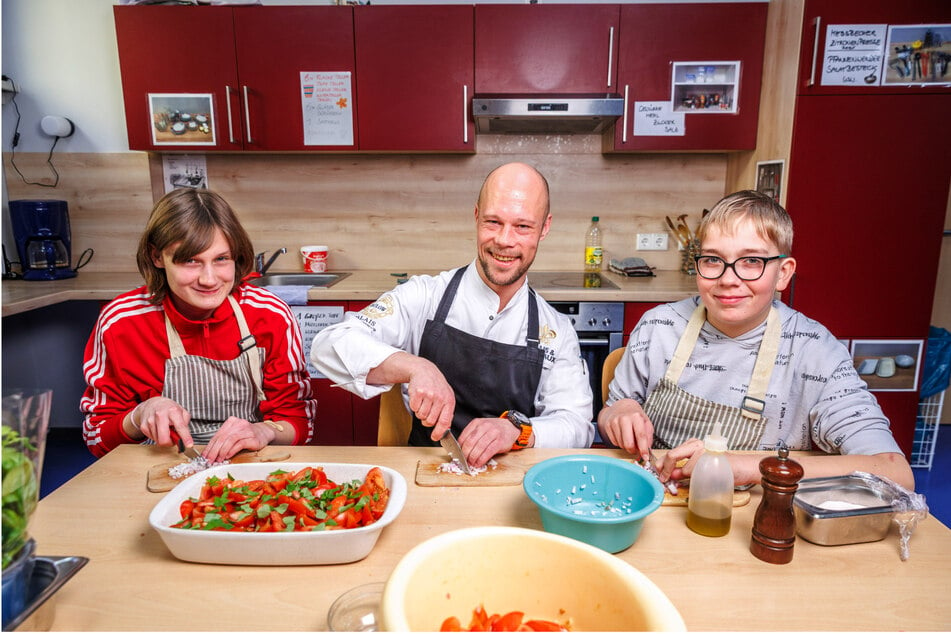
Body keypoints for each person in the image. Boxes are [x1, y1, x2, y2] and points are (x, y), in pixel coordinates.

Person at [598, 190, 914, 490]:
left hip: (761, 518)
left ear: (783, 273)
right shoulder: (660, 326)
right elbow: (612, 411)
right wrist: (620, 410)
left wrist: (746, 468)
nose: (728, 279)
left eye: (752, 261)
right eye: (712, 259)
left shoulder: (813, 351)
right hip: (660, 503)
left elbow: (894, 472)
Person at [311, 162, 594, 467]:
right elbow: (328, 345)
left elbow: (577, 427)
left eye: (523, 226)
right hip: (424, 473)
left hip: (512, 484)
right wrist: (414, 367)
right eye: (493, 222)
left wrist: (518, 430)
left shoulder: (557, 330)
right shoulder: (424, 296)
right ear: (475, 216)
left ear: (545, 228)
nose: (504, 240)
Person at [81, 188, 317, 461]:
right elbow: (96, 437)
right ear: (157, 257)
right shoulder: (121, 322)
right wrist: (138, 416)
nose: (209, 279)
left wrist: (264, 431)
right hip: (158, 465)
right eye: (190, 261)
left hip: (249, 465)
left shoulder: (269, 315)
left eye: (221, 259)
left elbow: (298, 422)